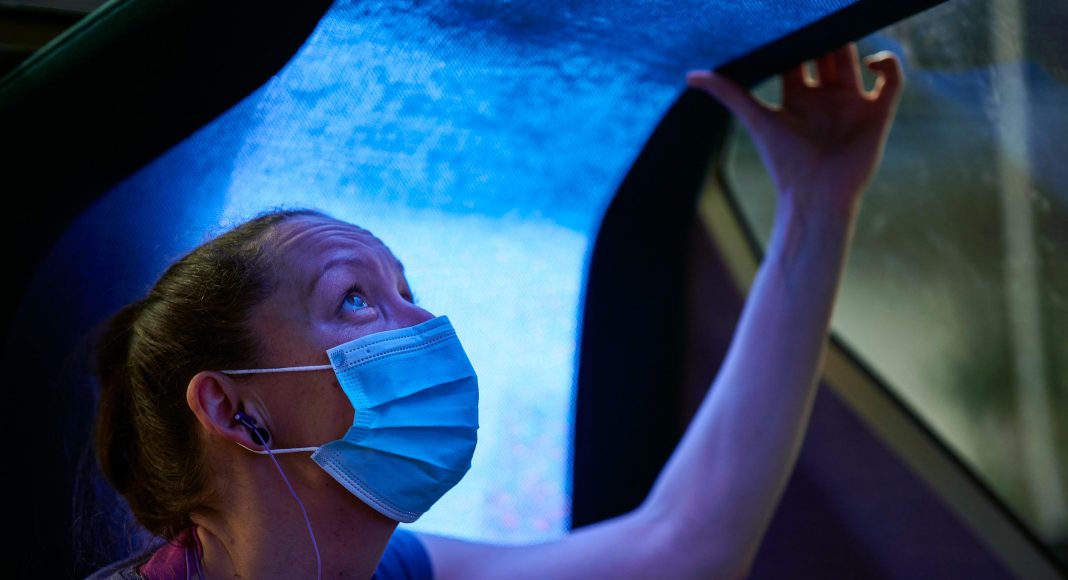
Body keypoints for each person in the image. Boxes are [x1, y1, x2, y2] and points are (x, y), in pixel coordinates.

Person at [87, 43, 903, 579]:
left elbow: (684, 547)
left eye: (409, 291)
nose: (428, 328)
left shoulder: (397, 570)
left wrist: (817, 206)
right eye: (355, 298)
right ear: (231, 408)